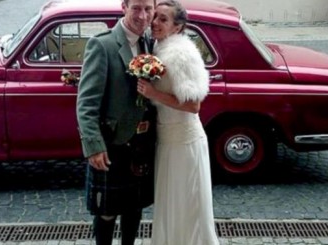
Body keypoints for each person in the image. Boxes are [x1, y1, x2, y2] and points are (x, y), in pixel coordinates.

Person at [137, 0, 220, 244]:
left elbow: (194, 105)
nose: (155, 23)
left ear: (178, 27)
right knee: (171, 202)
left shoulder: (180, 54)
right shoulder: (158, 48)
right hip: (167, 140)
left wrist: (154, 94)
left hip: (184, 143)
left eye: (163, 19)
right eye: (156, 18)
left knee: (188, 206)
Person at [75, 0, 156, 244]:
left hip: (142, 144)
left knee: (135, 207)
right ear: (124, 6)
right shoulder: (102, 45)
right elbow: (86, 103)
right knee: (107, 211)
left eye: (148, 9)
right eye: (136, 8)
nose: (142, 16)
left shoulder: (151, 43)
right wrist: (94, 145)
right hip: (112, 143)